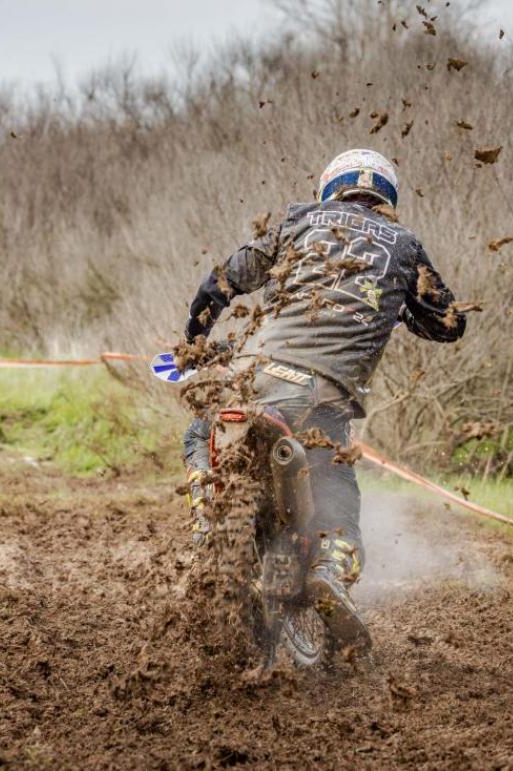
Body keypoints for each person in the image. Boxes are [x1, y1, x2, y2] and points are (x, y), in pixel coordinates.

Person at [181, 148, 467, 646]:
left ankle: (207, 508)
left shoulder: (299, 218)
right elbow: (450, 323)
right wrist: (398, 306)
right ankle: (331, 567)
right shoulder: (404, 247)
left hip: (258, 377)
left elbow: (222, 280)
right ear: (388, 198)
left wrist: (197, 340)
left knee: (202, 429)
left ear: (328, 188)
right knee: (336, 489)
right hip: (324, 398)